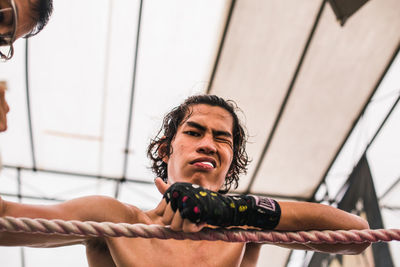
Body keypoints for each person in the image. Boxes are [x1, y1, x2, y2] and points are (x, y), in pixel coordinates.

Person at [0, 95, 370, 266]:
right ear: (166, 150)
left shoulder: (243, 225)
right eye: (194, 132)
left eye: (222, 138)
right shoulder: (117, 220)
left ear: (230, 160)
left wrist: (231, 209)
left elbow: (356, 235)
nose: (208, 143)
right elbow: (6, 223)